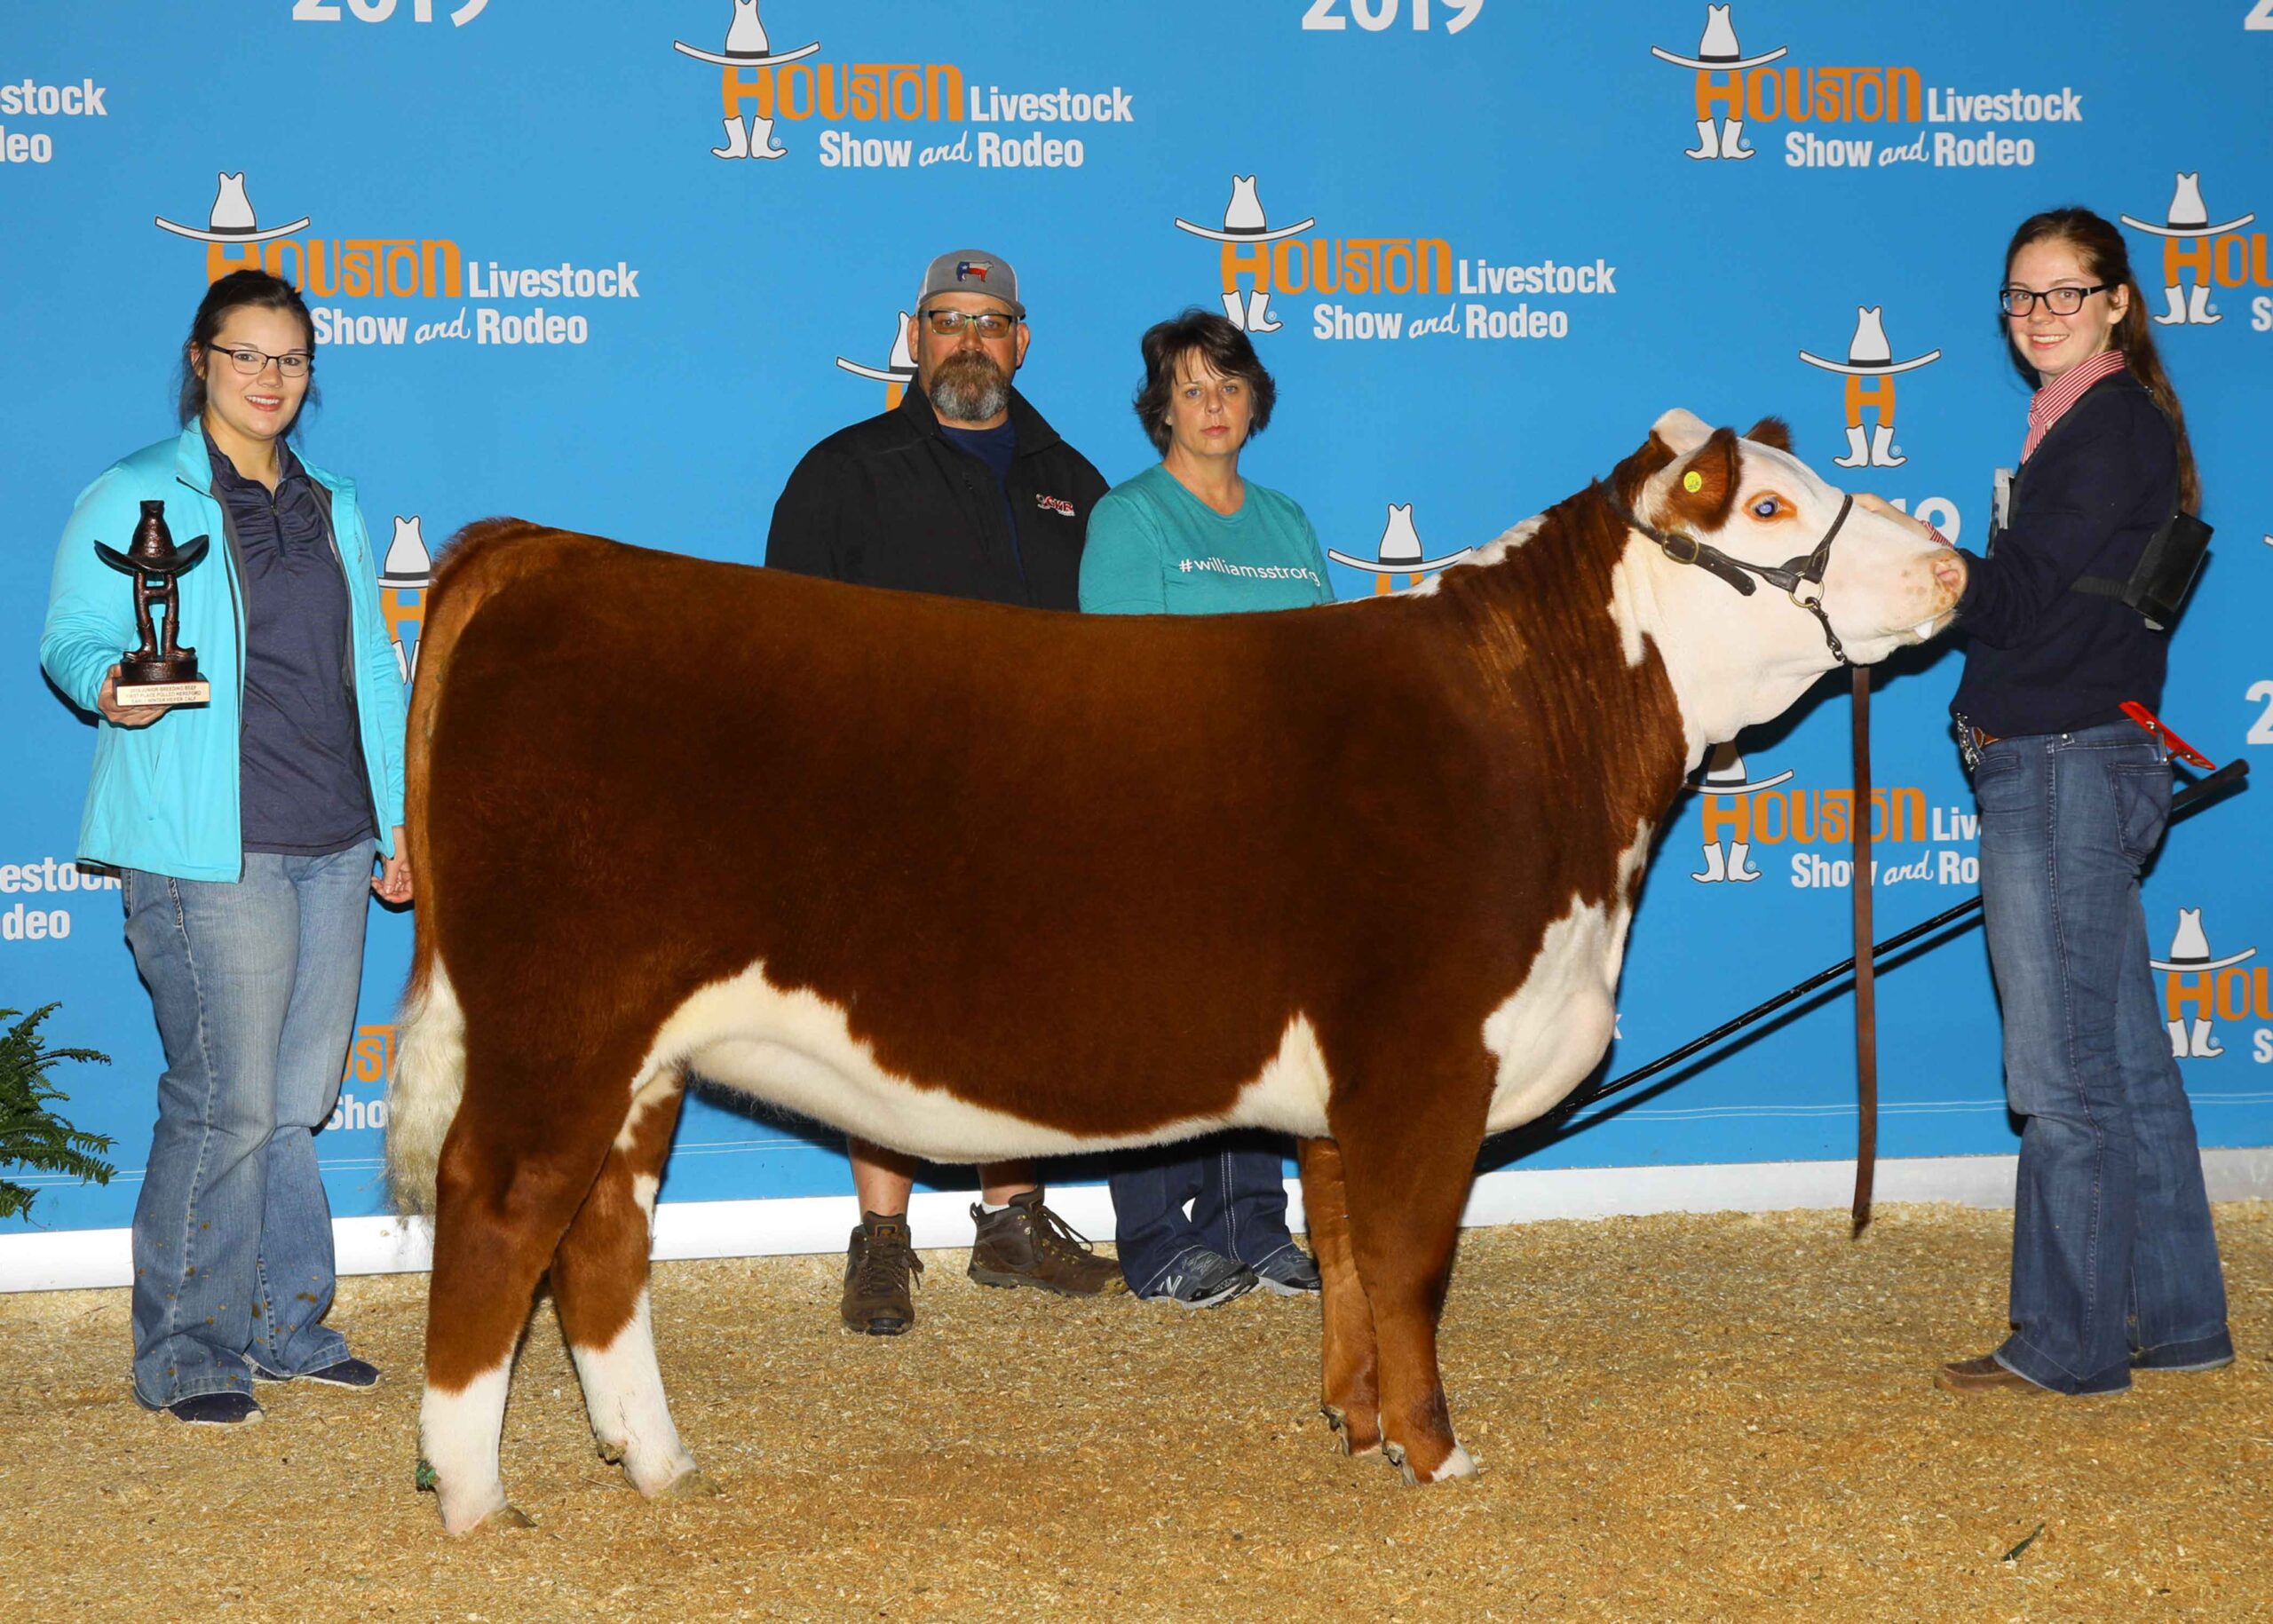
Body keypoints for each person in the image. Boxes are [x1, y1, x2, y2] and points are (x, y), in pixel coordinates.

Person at [1865, 208, 2233, 1397]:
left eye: (2064, 295)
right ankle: (2176, 1322)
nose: (2039, 317)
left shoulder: (2103, 426)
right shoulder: (2093, 424)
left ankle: (2071, 1341)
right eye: (2021, 298)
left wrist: (1927, 564)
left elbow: (2018, 601)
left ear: (2118, 301)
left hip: (2066, 765)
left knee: (2062, 1075)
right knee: (2122, 1058)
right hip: (2089, 756)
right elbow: (2049, 599)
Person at [42, 269, 412, 1425]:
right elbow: (75, 633)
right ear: (201, 360)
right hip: (211, 848)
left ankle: (287, 1323)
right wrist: (112, 680)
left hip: (336, 838)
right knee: (227, 1100)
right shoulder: (138, 491)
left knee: (295, 1100)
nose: (270, 379)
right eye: (247, 355)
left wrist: (399, 823)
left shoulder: (334, 500)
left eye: (291, 359)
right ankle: (190, 1351)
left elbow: (376, 670)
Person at [766, 247, 1123, 1334]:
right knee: (885, 1014)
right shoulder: (844, 468)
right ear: (913, 336)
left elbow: (1112, 648)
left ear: (1019, 342)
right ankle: (881, 1236)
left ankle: (1011, 1220)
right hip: (889, 791)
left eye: (990, 321)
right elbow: (785, 642)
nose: (969, 340)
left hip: (1034, 790)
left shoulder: (1075, 476)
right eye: (947, 319)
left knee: (1018, 1005)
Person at [1078, 308, 1327, 1307]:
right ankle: (1151, 1235)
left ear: (1254, 400)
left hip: (1280, 813)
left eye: (1228, 385)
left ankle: (1250, 1221)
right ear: (1160, 409)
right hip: (1168, 806)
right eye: (1191, 388)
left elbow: (1324, 667)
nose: (1212, 405)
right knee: (1158, 1020)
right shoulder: (1129, 517)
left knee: (1260, 1021)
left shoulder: (1288, 520)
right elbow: (1127, 680)